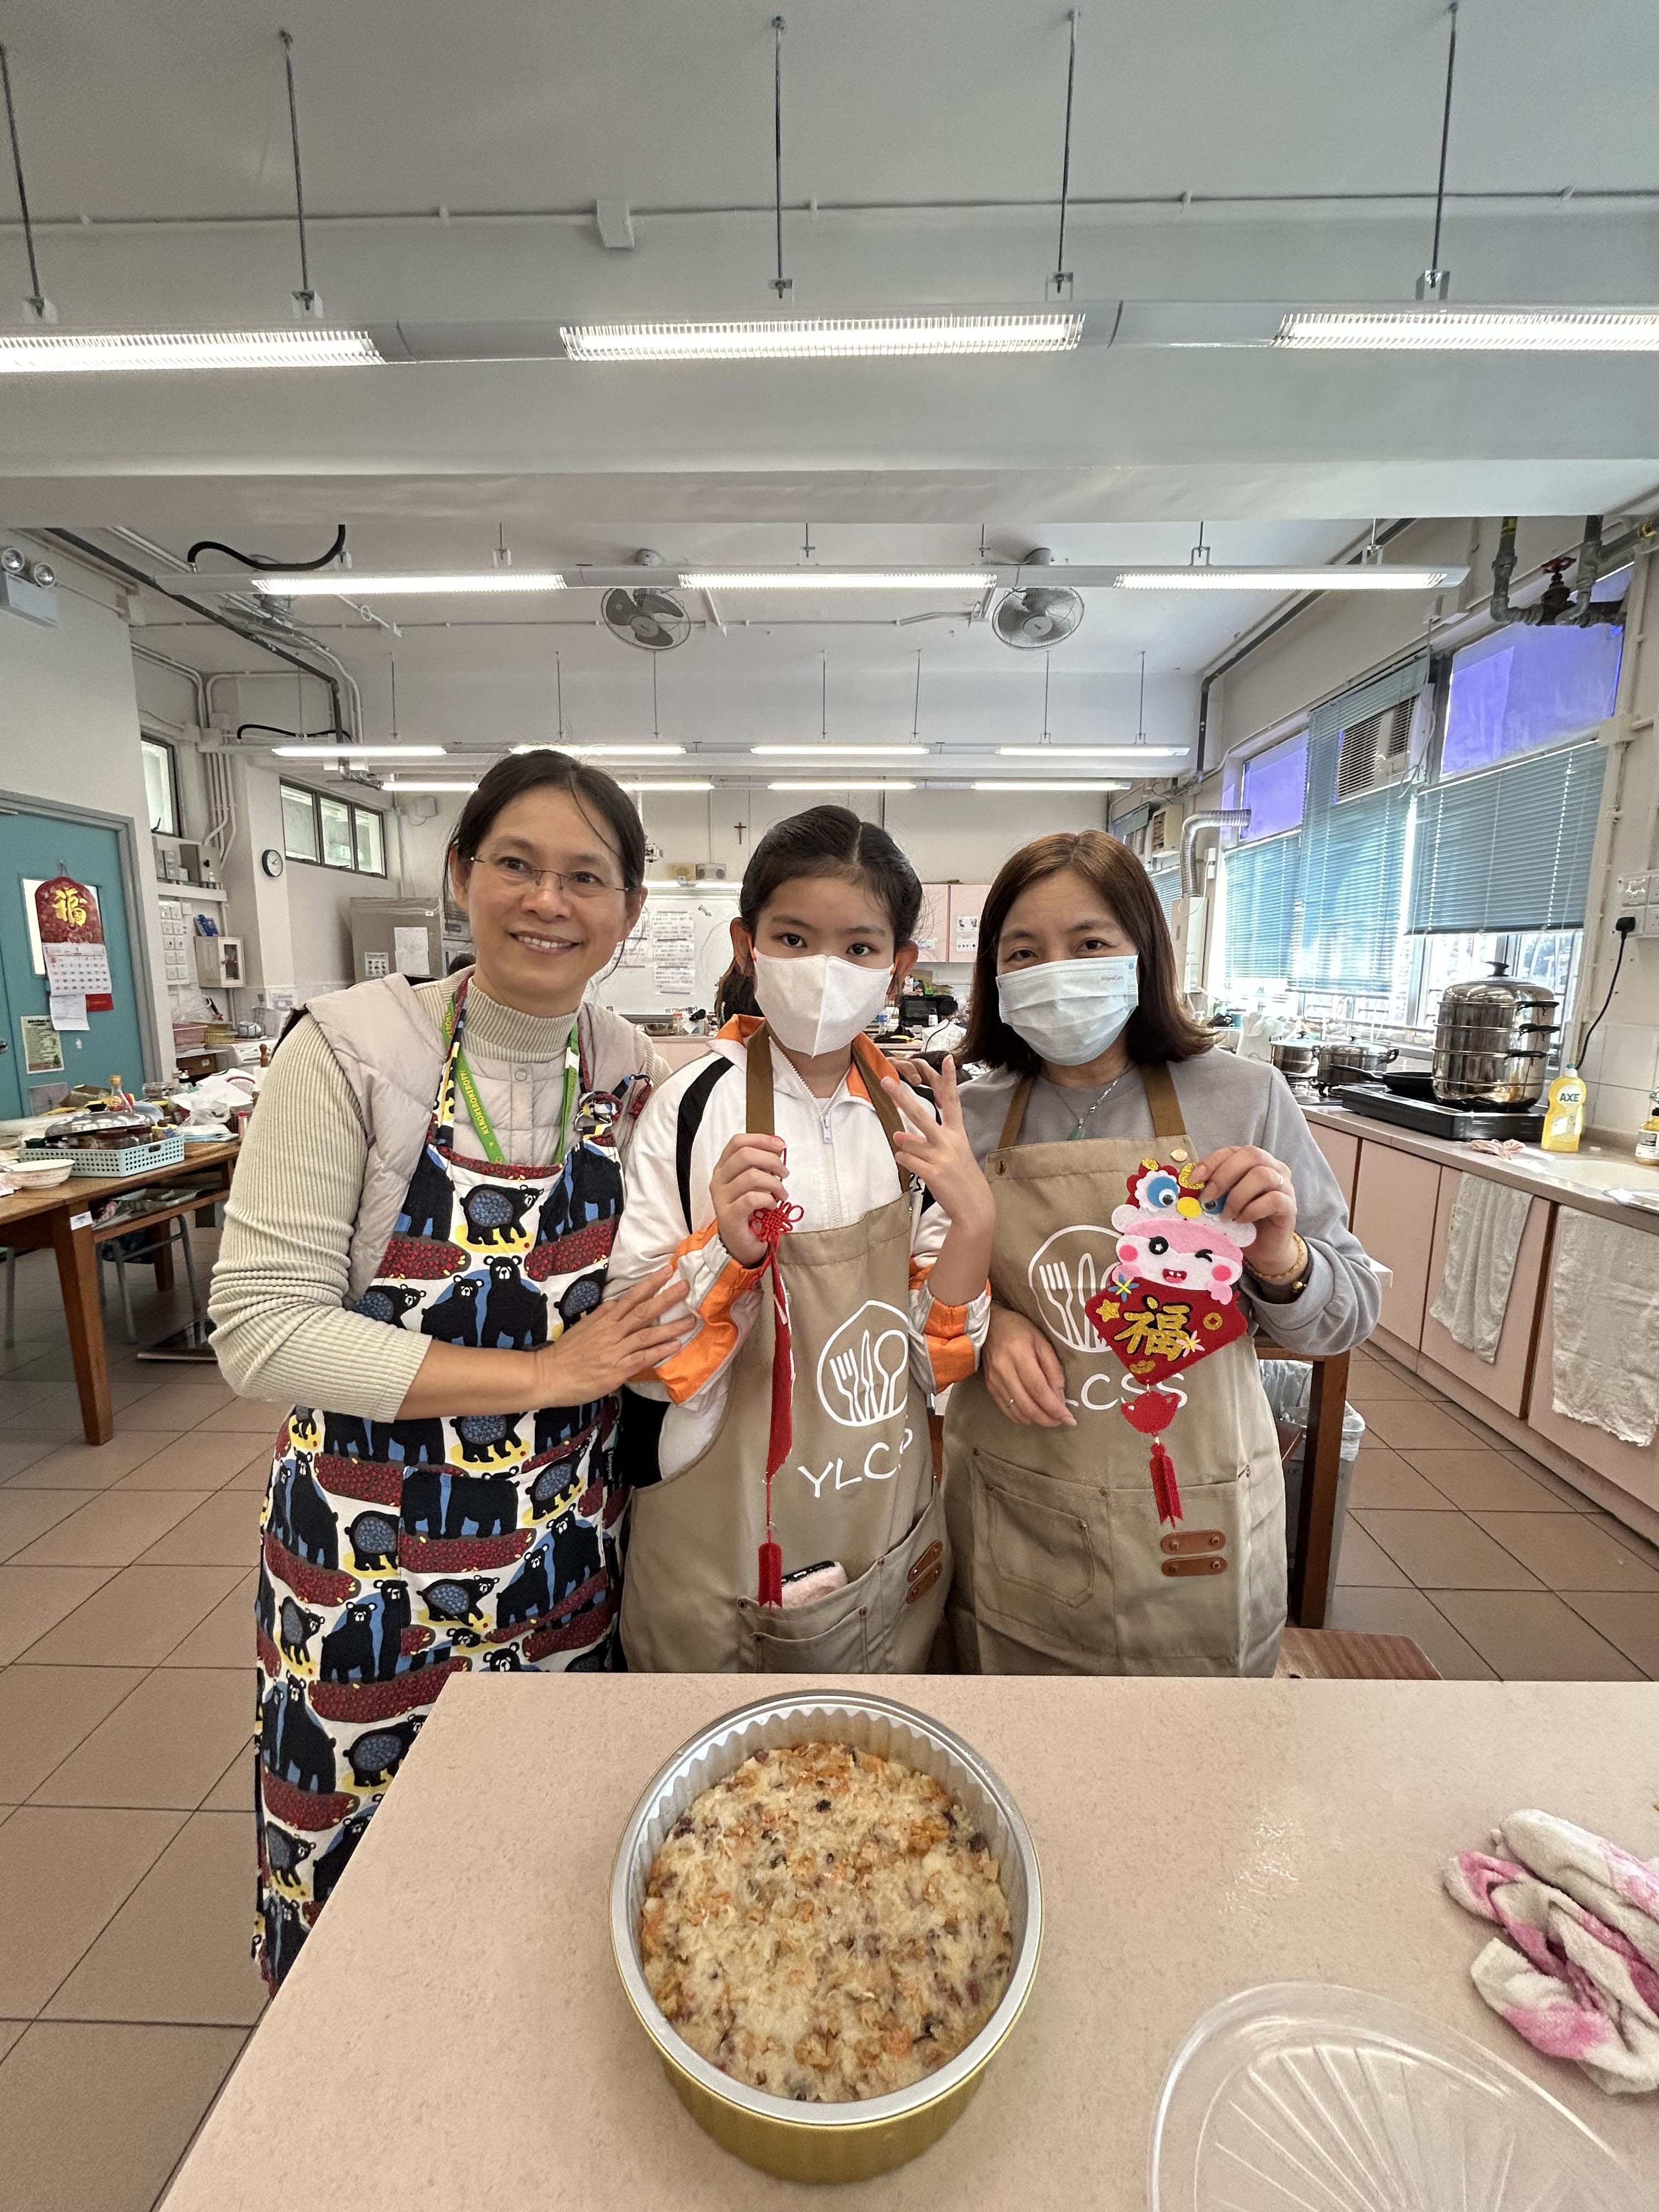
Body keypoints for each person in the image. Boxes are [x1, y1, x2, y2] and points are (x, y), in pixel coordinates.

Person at [210, 749, 691, 1989]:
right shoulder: (352, 1051)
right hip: (366, 1573)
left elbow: (668, 1288)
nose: (548, 902)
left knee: (539, 1879)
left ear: (630, 910)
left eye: (586, 877)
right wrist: (543, 1376)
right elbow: (261, 1328)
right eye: (516, 865)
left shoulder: (635, 1072)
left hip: (567, 1558)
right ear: (461, 874)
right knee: (363, 1886)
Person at [938, 830, 1378, 1677]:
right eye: (1023, 952)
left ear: (1145, 953)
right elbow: (926, 1279)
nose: (1055, 970)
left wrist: (1281, 1259)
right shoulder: (972, 1114)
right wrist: (988, 1325)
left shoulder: (1244, 1097)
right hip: (1021, 1502)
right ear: (994, 974)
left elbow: (1346, 1316)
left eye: (1089, 944)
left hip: (1194, 1508)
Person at [606, 805, 994, 1671]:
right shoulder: (689, 1109)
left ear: (897, 968)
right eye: (793, 939)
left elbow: (937, 1357)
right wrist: (730, 1254)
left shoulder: (913, 1121)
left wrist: (975, 1222)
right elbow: (638, 1347)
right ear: (747, 947)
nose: (824, 969)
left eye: (858, 948)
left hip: (879, 1501)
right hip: (720, 1509)